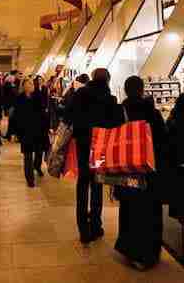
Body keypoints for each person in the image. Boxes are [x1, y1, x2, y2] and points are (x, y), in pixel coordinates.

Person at [114, 76, 168, 270]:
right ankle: (149, 254)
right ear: (142, 89)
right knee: (150, 212)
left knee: (129, 210)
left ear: (126, 91)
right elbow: (163, 141)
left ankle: (130, 250)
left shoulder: (119, 112)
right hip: (149, 171)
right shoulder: (152, 113)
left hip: (128, 170)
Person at [64, 68, 123, 244]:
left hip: (83, 144)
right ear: (107, 80)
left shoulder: (81, 94)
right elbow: (116, 124)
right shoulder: (110, 99)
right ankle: (96, 225)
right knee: (97, 184)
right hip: (100, 147)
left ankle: (83, 228)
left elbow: (68, 115)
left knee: (82, 183)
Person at [12, 78, 48, 187]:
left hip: (39, 130)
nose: (31, 85)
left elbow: (44, 113)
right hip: (25, 131)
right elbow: (16, 117)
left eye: (32, 83)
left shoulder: (38, 96)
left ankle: (37, 166)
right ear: (23, 86)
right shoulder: (19, 98)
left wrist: (47, 127)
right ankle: (30, 179)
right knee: (27, 156)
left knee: (39, 152)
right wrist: (15, 132)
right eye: (28, 84)